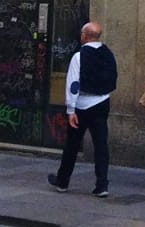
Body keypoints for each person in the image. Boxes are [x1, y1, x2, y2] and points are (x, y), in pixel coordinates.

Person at [47, 21, 117, 198]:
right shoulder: (108, 54)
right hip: (102, 102)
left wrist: (71, 109)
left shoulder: (79, 56)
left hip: (82, 106)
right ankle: (102, 184)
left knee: (71, 144)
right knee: (101, 145)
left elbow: (73, 84)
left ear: (85, 35)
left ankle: (63, 181)